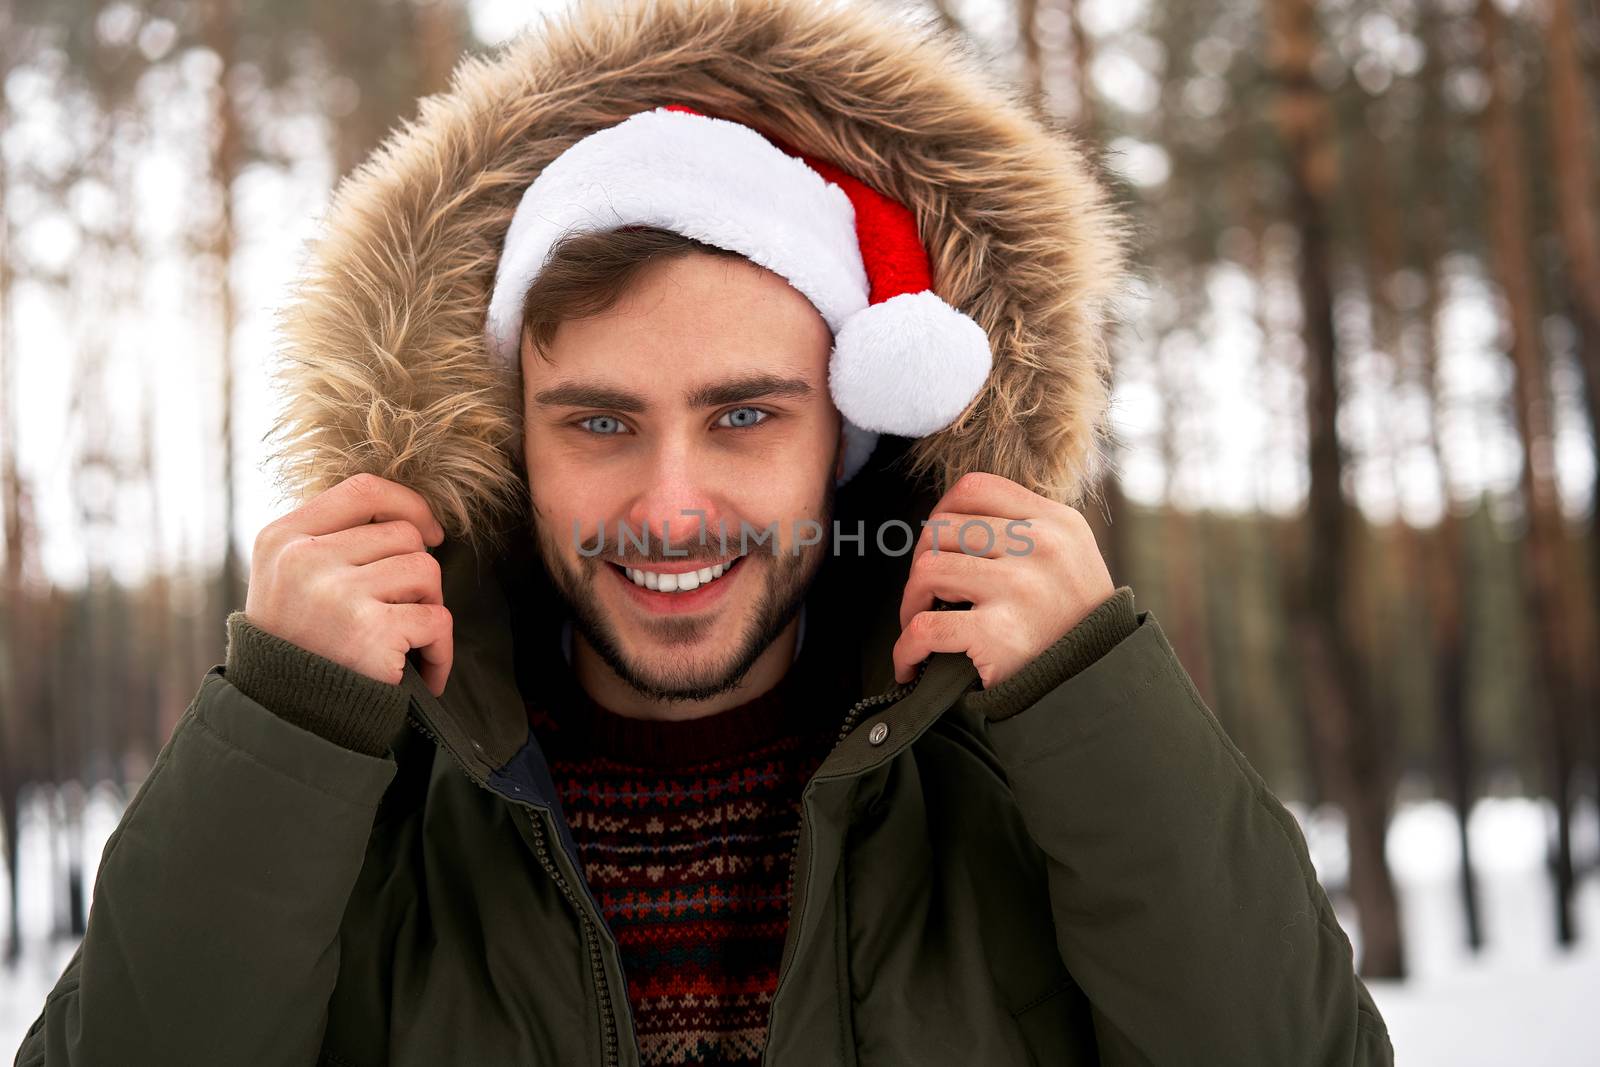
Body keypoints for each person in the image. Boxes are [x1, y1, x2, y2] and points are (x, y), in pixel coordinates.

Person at [16, 0, 1393, 1064]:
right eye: (600, 424)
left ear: (844, 441)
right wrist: (286, 725)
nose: (671, 506)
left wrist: (1094, 694)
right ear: (509, 445)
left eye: (743, 418)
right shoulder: (363, 791)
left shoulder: (1018, 771)